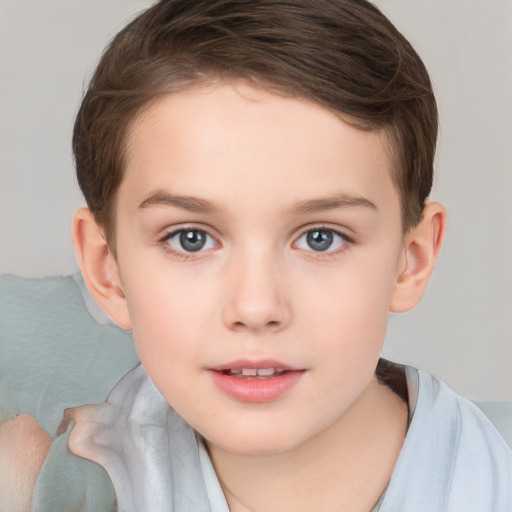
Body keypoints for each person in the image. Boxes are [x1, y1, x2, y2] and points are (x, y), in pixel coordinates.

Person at [13, 0, 512, 510]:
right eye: (191, 239)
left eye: (321, 237)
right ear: (108, 271)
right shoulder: (57, 488)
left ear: (413, 259)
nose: (256, 308)